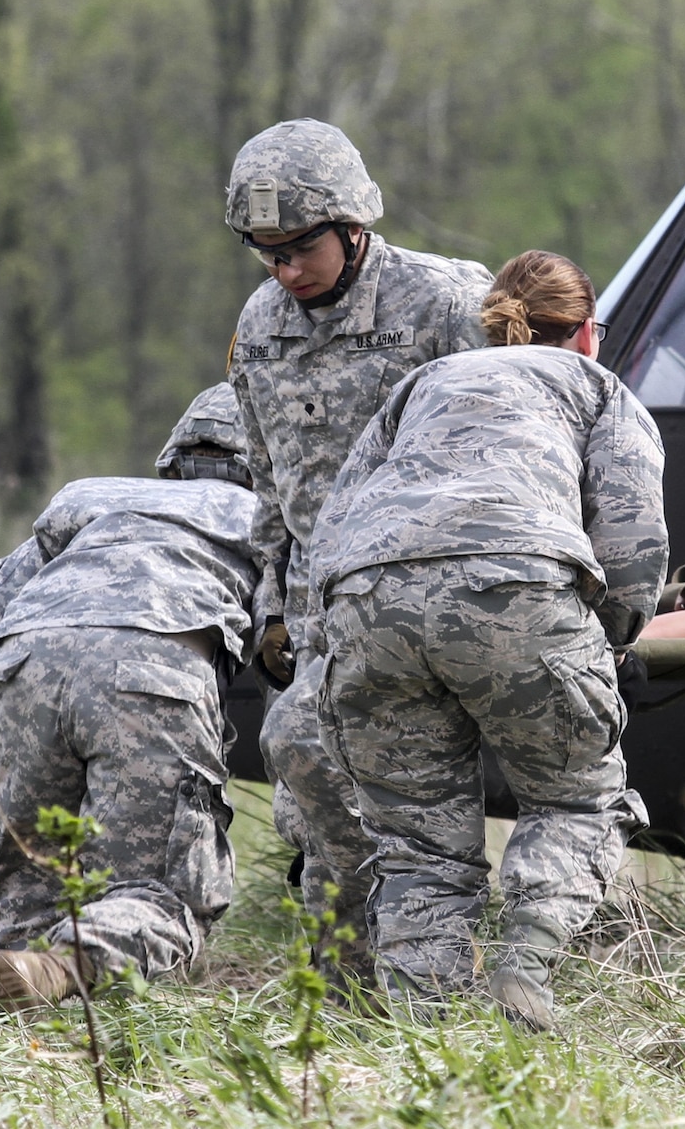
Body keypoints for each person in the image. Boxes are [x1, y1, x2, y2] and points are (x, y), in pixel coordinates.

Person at [309, 249, 666, 1026]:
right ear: (585, 333)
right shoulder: (598, 389)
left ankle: (423, 1026)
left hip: (367, 607)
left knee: (415, 840)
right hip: (518, 593)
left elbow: (334, 525)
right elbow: (636, 548)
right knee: (576, 796)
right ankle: (525, 968)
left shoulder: (421, 386)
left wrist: (325, 641)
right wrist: (609, 641)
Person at [223, 118, 492, 979]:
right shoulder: (260, 325)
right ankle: (344, 1017)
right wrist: (270, 608)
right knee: (313, 809)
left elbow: (521, 449)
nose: (284, 270)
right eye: (264, 252)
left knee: (417, 812)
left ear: (352, 225)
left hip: (432, 601)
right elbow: (268, 487)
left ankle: (446, 992)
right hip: (319, 611)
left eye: (299, 247)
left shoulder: (450, 304)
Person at [0, 385, 257, 1008]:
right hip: (151, 672)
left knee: (30, 889)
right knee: (160, 893)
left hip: (24, 666)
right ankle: (64, 968)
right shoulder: (269, 519)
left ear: (171, 457)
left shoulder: (89, 500)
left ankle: (21, 1026)